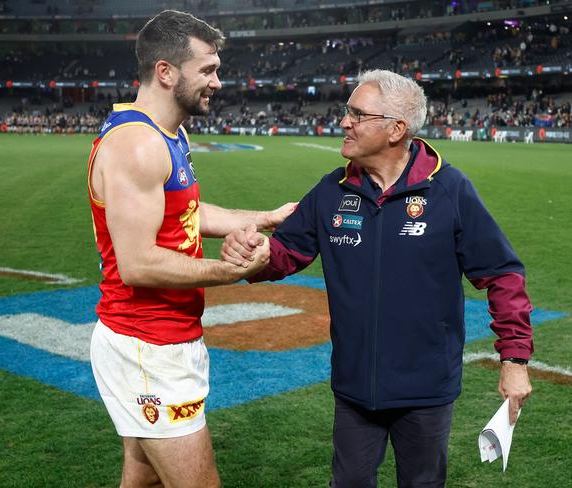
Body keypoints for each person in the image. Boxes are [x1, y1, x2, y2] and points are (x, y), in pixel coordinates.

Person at [222, 69, 533, 488]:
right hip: (354, 388)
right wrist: (255, 255)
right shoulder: (331, 191)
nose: (344, 122)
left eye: (358, 114)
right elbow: (284, 254)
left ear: (395, 129)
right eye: (346, 112)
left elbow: (502, 275)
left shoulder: (450, 190)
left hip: (426, 389)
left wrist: (514, 362)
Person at [87, 10, 295, 488]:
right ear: (166, 71)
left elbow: (185, 214)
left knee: (144, 478)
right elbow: (137, 264)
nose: (218, 82)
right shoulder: (137, 145)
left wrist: (261, 218)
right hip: (147, 345)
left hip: (166, 338)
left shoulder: (170, 133)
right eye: (207, 70)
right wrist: (233, 271)